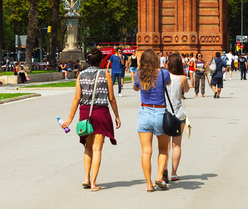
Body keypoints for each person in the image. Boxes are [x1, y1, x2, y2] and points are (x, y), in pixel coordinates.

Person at [60, 49, 120, 191]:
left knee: (88, 147)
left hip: (85, 113)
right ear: (101, 61)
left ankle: (86, 178)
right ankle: (94, 183)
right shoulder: (106, 74)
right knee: (97, 148)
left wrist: (70, 118)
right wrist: (117, 116)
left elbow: (77, 98)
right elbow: (112, 98)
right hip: (101, 112)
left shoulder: (81, 75)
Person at [133, 48, 173, 191]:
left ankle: (149, 184)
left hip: (145, 112)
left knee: (146, 151)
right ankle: (159, 177)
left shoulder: (139, 74)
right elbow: (168, 83)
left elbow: (135, 88)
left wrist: (139, 69)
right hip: (160, 112)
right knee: (163, 148)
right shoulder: (163, 73)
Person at [166, 52, 190, 182]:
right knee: (176, 145)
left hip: (164, 114)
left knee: (165, 146)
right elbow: (187, 90)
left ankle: (163, 169)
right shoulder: (182, 78)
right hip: (178, 114)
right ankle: (174, 173)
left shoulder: (163, 77)